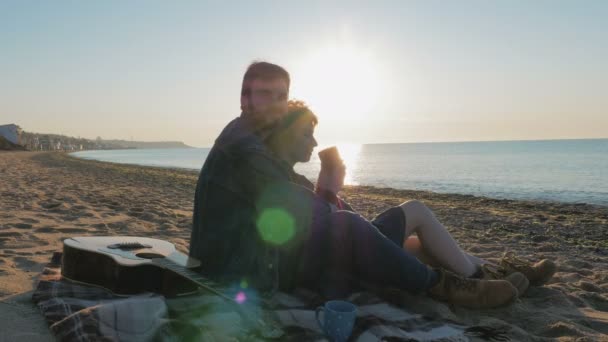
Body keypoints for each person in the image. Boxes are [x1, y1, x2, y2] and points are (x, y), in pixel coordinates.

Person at [190, 61, 522, 309]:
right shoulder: (242, 146)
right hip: (244, 271)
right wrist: (330, 191)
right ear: (245, 99)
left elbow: (298, 209)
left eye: (282, 95)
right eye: (266, 94)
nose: (276, 103)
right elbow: (305, 211)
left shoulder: (261, 148)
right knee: (349, 225)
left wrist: (328, 196)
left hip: (276, 257)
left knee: (404, 217)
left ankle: (483, 273)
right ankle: (448, 286)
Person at [264, 100, 556, 298]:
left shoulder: (296, 179)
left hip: (348, 250)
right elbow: (321, 232)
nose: (314, 143)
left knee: (422, 246)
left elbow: (326, 221)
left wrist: (329, 191)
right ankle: (478, 279)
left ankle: (500, 272)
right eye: (306, 134)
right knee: (414, 210)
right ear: (285, 134)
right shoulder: (277, 181)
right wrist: (329, 192)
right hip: (333, 267)